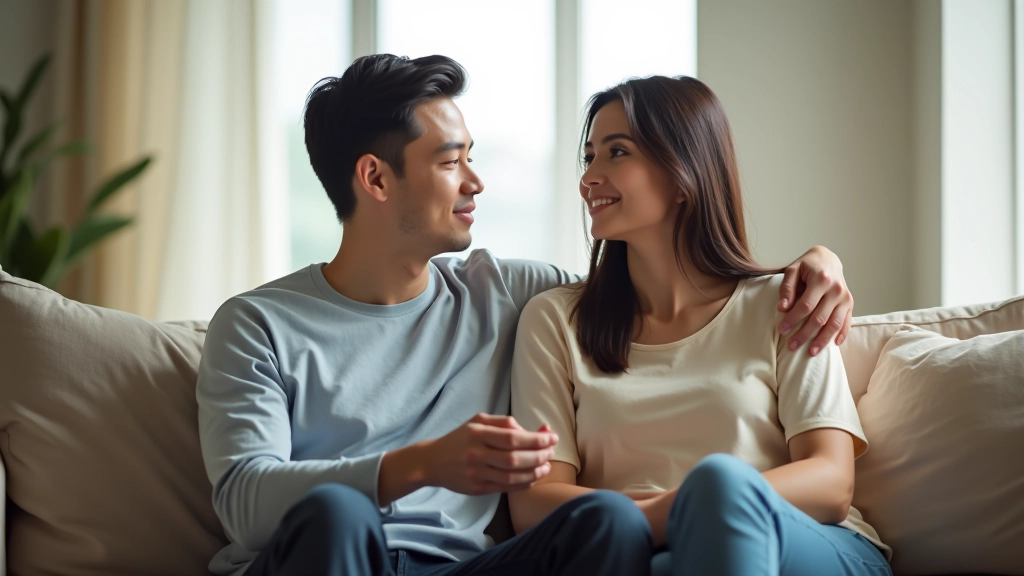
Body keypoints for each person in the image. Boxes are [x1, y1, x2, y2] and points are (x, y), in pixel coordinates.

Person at [197, 54, 858, 576]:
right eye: (453, 161)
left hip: (464, 567)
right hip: (323, 557)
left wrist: (821, 261)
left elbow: (665, 290)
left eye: (472, 157)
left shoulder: (507, 294)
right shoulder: (257, 325)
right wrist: (419, 465)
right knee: (339, 515)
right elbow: (246, 505)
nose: (475, 182)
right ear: (375, 179)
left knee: (609, 524)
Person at [508, 75, 892, 576]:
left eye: (616, 152)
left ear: (682, 172)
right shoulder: (556, 320)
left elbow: (831, 483)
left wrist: (708, 504)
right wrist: (672, 517)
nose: (589, 177)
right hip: (651, 555)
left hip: (805, 546)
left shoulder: (786, 303)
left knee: (720, 485)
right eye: (588, 157)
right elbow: (534, 504)